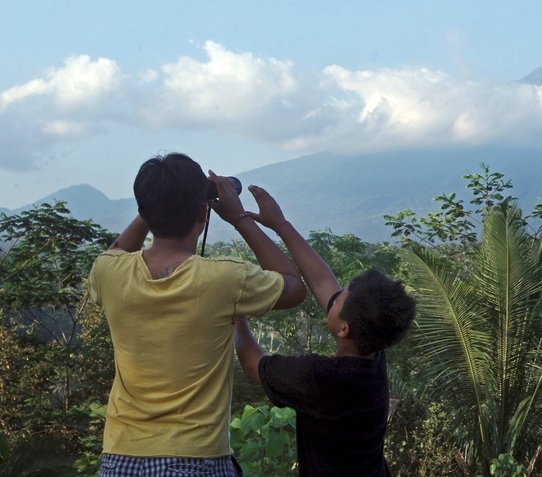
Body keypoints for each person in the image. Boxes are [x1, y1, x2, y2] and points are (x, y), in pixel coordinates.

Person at [87, 153, 307, 476]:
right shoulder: (224, 279)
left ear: (144, 212)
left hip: (120, 459)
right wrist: (239, 217)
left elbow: (118, 249)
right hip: (197, 460)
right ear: (204, 213)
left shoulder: (108, 272)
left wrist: (153, 208)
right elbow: (293, 286)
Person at [233, 185, 416, 476]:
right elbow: (321, 282)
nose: (335, 294)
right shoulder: (372, 355)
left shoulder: (323, 378)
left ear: (344, 328)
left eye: (341, 296)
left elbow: (254, 366)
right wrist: (280, 224)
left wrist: (236, 313)